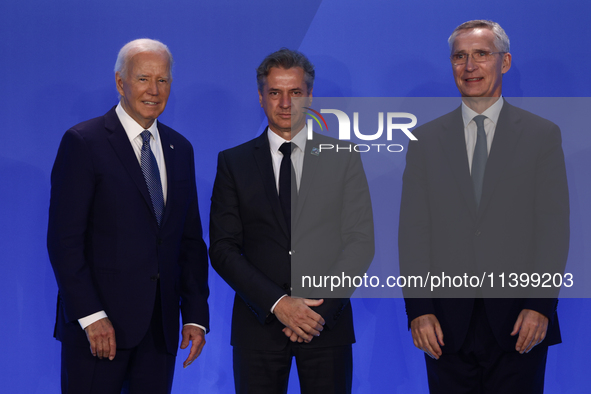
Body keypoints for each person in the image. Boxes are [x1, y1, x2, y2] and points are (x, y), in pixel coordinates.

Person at [399, 20, 569, 393]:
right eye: (460, 56)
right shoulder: (425, 141)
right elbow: (413, 233)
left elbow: (553, 229)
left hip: (519, 322)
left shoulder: (542, 135)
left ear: (504, 62)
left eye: (481, 54)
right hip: (444, 326)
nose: (469, 66)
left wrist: (540, 305)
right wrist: (419, 310)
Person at [47, 38, 210, 394]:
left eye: (163, 80)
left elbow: (189, 241)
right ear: (120, 82)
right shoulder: (83, 141)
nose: (154, 90)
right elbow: (64, 241)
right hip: (98, 332)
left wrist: (196, 314)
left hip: (159, 332)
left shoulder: (180, 148)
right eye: (143, 79)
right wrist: (91, 316)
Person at [209, 48, 374, 394]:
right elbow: (223, 249)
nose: (285, 103)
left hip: (325, 326)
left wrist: (317, 312)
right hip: (259, 327)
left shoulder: (343, 158)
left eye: (295, 92)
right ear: (261, 97)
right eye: (275, 92)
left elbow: (360, 242)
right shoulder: (233, 163)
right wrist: (279, 304)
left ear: (310, 96)